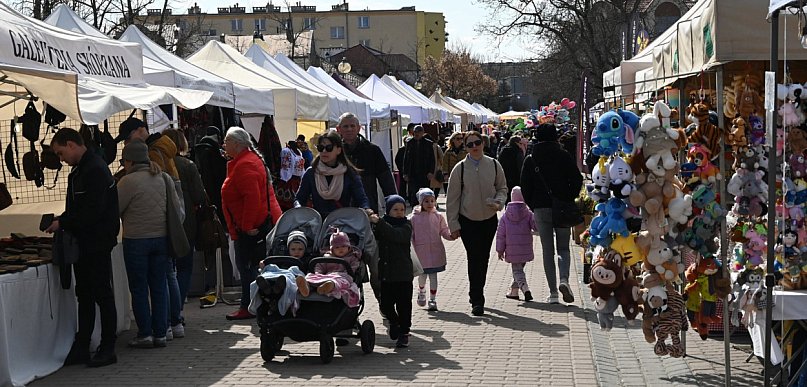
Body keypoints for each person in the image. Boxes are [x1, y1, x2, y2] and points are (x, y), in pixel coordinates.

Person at [46, 128, 119, 367]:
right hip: (86, 243)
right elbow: (81, 207)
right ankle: (82, 345)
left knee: (101, 295)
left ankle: (108, 347)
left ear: (71, 144)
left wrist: (63, 222)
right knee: (85, 295)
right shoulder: (82, 170)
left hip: (96, 243)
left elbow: (92, 211)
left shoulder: (94, 170)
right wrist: (62, 220)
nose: (61, 159)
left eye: (60, 153)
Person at [117, 140, 175, 348]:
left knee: (139, 288)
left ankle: (145, 334)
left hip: (136, 240)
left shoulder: (127, 182)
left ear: (129, 160)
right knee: (159, 286)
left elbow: (116, 209)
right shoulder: (162, 177)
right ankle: (161, 333)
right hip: (161, 239)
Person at [221, 127, 283, 320]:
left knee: (248, 267)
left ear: (237, 144)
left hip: (253, 227)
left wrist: (247, 227)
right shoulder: (247, 161)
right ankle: (258, 305)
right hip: (258, 223)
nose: (224, 145)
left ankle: (249, 306)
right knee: (255, 266)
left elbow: (252, 199)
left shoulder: (245, 164)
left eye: (227, 142)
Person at [446, 131, 508, 316]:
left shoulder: (494, 164)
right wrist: (453, 224)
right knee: (474, 258)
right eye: (470, 144)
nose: (474, 147)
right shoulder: (460, 168)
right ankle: (477, 298)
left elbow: (503, 187)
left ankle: (477, 292)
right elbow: (452, 199)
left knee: (483, 258)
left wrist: (499, 201)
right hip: (468, 221)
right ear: (465, 147)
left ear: (483, 143)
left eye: (477, 142)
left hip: (488, 219)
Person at [520, 124, 583, 304]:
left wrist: (533, 205)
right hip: (562, 206)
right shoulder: (563, 155)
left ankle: (553, 293)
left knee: (548, 250)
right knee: (563, 248)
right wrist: (569, 196)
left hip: (540, 208)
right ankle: (564, 279)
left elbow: (525, 186)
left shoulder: (531, 158)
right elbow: (577, 179)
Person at [161, 129, 205, 335]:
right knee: (184, 268)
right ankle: (177, 312)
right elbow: (199, 195)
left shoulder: (158, 164)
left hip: (163, 223)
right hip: (186, 222)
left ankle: (167, 313)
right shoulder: (187, 165)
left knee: (167, 270)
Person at [370, 195, 414, 348]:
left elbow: (396, 236)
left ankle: (404, 332)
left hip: (403, 275)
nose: (399, 212)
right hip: (386, 274)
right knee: (385, 304)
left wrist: (380, 222)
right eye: (395, 209)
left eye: (402, 209)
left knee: (404, 305)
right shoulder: (382, 225)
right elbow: (373, 237)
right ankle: (394, 322)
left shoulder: (406, 225)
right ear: (388, 211)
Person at [294, 131, 369, 218]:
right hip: (318, 225)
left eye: (329, 148)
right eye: (321, 148)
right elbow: (299, 198)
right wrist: (298, 208)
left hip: (343, 223)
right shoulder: (311, 173)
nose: (324, 151)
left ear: (338, 150)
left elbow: (361, 199)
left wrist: (366, 210)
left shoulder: (349, 173)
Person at [336, 112, 397, 214]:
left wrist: (394, 204)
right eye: (345, 126)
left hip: (368, 207)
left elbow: (387, 181)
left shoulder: (372, 150)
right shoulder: (334, 151)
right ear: (339, 129)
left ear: (359, 128)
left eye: (352, 126)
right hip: (341, 207)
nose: (349, 129)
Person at [410, 188, 453, 311]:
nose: (429, 204)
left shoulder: (438, 216)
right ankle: (421, 290)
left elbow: (443, 230)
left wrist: (450, 236)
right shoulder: (414, 218)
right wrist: (412, 248)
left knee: (433, 276)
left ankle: (432, 299)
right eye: (426, 201)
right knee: (422, 276)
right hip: (420, 252)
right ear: (421, 203)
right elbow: (411, 235)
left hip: (435, 251)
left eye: (432, 201)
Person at [250, 231, 310, 317]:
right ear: (288, 249)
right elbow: (274, 268)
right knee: (271, 271)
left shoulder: (306, 259)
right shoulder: (282, 258)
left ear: (305, 249)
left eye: (300, 249)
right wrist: (264, 265)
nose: (297, 252)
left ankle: (277, 288)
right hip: (278, 274)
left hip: (293, 277)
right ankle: (267, 286)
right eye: (293, 249)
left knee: (289, 278)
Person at [496, 186, 538, 301]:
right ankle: (514, 291)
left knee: (517, 270)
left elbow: (500, 235)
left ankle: (525, 289)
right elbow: (535, 227)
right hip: (525, 248)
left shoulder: (505, 216)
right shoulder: (528, 213)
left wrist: (500, 250)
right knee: (519, 269)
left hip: (512, 250)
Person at [300, 231, 362, 307]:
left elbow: (352, 269)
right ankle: (306, 286)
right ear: (332, 249)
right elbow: (319, 266)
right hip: (326, 276)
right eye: (337, 247)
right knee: (310, 275)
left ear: (348, 247)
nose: (340, 249)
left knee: (342, 282)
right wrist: (318, 274)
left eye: (343, 246)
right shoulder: (327, 257)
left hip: (342, 276)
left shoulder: (352, 258)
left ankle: (329, 286)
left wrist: (345, 274)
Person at [402, 125, 436, 206]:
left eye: (419, 132)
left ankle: (425, 208)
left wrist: (431, 172)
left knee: (425, 192)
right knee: (414, 193)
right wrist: (405, 173)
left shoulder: (428, 143)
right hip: (413, 173)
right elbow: (406, 159)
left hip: (425, 173)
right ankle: (415, 209)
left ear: (422, 133)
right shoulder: (409, 143)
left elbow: (432, 159)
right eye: (415, 132)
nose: (417, 134)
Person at [277, 140, 306, 211]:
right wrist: (285, 177)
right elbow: (286, 166)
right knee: (287, 202)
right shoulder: (287, 151)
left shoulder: (298, 152)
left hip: (297, 180)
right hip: (289, 179)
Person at [498, 135, 525, 202]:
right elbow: (520, 166)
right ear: (516, 143)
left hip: (505, 177)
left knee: (508, 199)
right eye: (520, 143)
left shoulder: (503, 150)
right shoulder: (518, 151)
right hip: (516, 178)